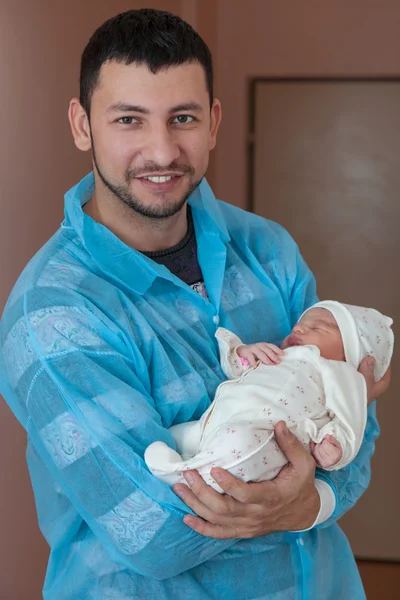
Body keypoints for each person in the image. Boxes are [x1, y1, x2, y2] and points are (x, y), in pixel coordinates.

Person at [0, 8, 391, 600]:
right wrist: (306, 492)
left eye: (181, 118)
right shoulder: (52, 313)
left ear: (212, 122)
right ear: (82, 125)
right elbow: (154, 532)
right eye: (129, 120)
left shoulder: (268, 248)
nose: (161, 151)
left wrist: (311, 498)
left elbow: (360, 442)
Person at [145, 301, 393, 490]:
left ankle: (186, 476)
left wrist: (337, 448)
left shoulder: (339, 373)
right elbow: (237, 368)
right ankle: (183, 460)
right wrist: (245, 352)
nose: (299, 327)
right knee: (179, 435)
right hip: (217, 421)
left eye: (318, 327)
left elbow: (350, 420)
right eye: (301, 323)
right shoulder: (278, 356)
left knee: (240, 447)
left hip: (264, 436)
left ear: (350, 353)